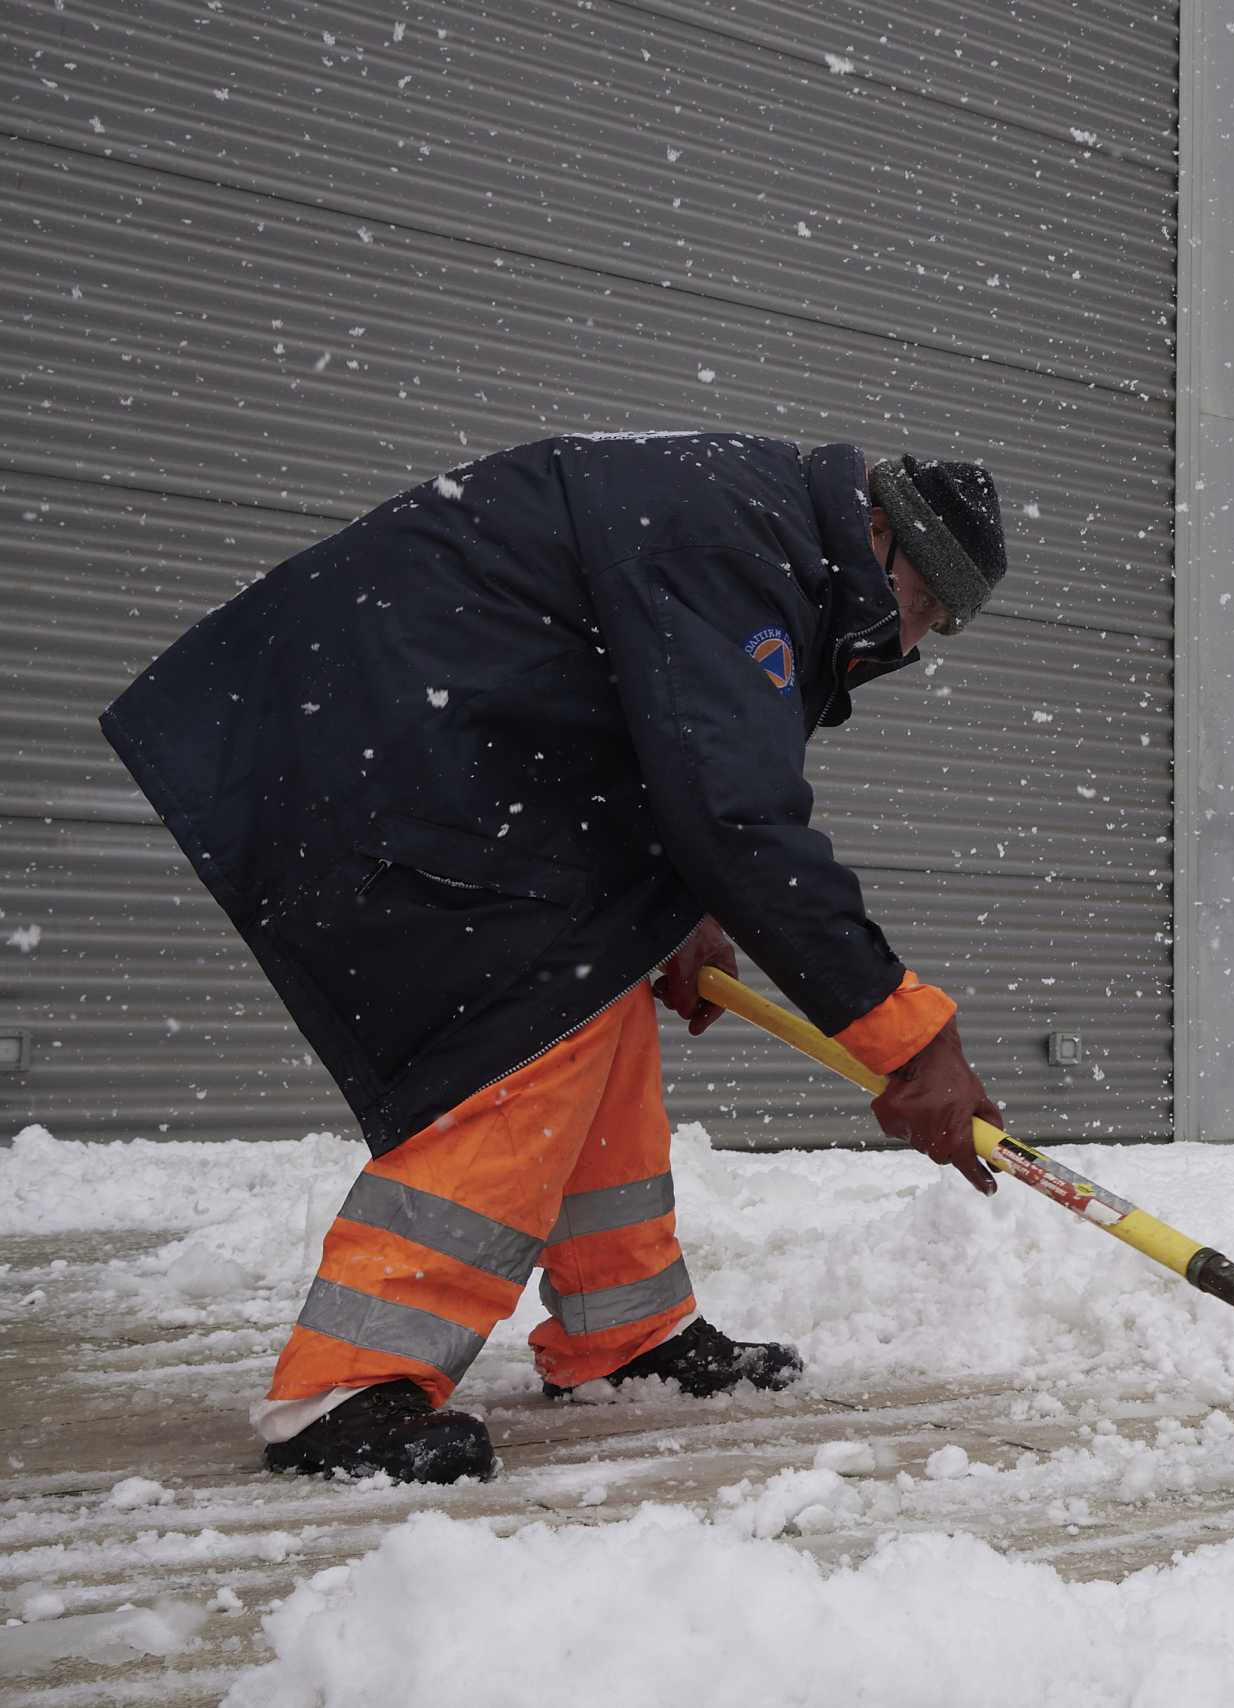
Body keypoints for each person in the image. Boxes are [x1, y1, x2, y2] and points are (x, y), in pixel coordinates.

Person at [100, 432, 1013, 1484]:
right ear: (882, 538)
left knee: (596, 989)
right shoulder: (742, 543)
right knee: (524, 1024)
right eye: (922, 610)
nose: (910, 644)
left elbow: (662, 748)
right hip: (387, 742)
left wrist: (680, 915)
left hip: (430, 741)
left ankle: (622, 1334)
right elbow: (737, 811)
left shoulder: (759, 531)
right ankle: (348, 1389)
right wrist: (908, 1033)